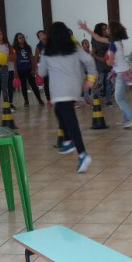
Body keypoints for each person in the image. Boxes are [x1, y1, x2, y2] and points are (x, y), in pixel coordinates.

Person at [37, 21, 96, 173]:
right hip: (74, 88)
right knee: (59, 111)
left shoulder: (47, 51)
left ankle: (82, 153)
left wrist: (42, 69)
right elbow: (89, 60)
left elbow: (42, 72)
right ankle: (68, 140)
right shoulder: (74, 48)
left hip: (59, 90)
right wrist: (90, 78)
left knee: (71, 121)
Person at [78, 19, 132, 127]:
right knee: (121, 97)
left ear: (112, 31)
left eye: (108, 28)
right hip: (123, 71)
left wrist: (105, 58)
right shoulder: (116, 41)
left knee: (118, 98)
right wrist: (86, 29)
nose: (106, 30)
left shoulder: (113, 45)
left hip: (121, 73)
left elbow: (110, 63)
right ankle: (125, 120)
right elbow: (98, 38)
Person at [12, 32, 43, 107]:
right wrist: (16, 71)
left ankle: (40, 100)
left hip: (29, 69)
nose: (22, 39)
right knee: (23, 86)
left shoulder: (28, 47)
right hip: (20, 70)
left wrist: (33, 69)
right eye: (19, 38)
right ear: (17, 39)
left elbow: (31, 59)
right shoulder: (15, 48)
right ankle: (26, 101)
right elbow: (14, 61)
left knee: (33, 85)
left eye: (23, 37)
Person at [91, 23, 114, 106]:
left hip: (108, 64)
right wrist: (99, 58)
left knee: (108, 83)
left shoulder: (108, 39)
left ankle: (108, 101)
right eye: (103, 29)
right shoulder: (95, 40)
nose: (105, 30)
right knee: (99, 83)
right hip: (100, 65)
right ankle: (95, 99)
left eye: (106, 28)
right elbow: (93, 53)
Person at [34, 29, 51, 106]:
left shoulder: (51, 42)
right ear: (39, 38)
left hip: (53, 66)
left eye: (44, 34)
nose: (43, 36)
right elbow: (35, 58)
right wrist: (36, 69)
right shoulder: (38, 46)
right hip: (45, 67)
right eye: (41, 35)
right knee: (46, 83)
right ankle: (48, 99)